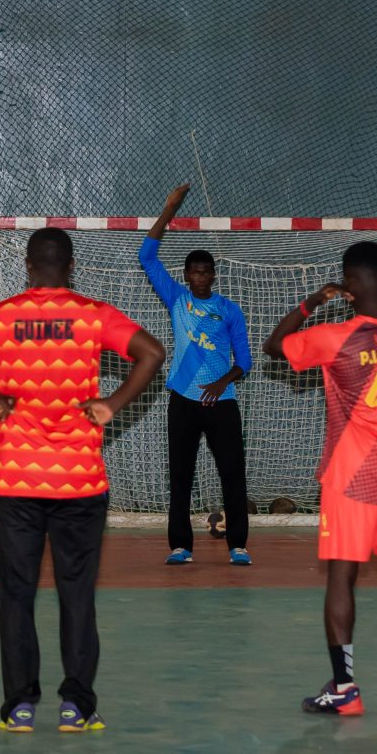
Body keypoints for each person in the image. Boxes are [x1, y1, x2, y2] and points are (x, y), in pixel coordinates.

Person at [0, 227, 165, 733]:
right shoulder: (95, 315)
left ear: (29, 267)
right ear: (70, 267)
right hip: (80, 483)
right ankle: (77, 706)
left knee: (17, 595)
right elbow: (153, 353)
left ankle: (20, 706)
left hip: (16, 483)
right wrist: (111, 405)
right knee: (77, 595)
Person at [264, 241, 377, 716]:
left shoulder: (334, 336)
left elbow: (273, 345)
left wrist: (313, 302)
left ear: (348, 283)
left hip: (348, 480)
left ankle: (344, 689)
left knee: (342, 576)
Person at [139, 184, 254, 566]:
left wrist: (223, 381)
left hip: (221, 403)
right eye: (195, 271)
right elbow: (146, 255)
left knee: (232, 475)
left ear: (214, 275)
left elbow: (246, 361)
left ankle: (238, 544)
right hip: (184, 400)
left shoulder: (229, 310)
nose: (201, 276)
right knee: (181, 476)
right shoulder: (177, 299)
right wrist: (169, 208)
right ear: (187, 274)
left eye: (207, 271)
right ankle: (181, 546)